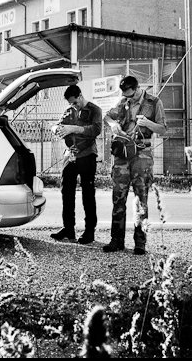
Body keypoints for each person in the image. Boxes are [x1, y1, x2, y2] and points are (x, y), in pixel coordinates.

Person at [103, 76, 167, 255]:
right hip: (122, 155)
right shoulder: (123, 101)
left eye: (131, 95)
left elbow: (163, 129)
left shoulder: (154, 102)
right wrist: (113, 124)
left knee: (141, 200)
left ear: (137, 89)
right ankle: (116, 240)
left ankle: (140, 243)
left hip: (142, 155)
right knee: (118, 198)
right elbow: (107, 116)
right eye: (125, 95)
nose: (128, 98)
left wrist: (148, 123)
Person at [50, 85, 102, 244]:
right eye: (70, 103)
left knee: (88, 194)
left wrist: (74, 128)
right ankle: (68, 229)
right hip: (70, 155)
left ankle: (89, 232)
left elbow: (96, 129)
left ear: (80, 96)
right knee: (66, 192)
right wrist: (56, 129)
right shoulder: (68, 110)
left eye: (74, 102)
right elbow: (57, 125)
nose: (73, 106)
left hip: (87, 155)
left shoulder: (94, 110)